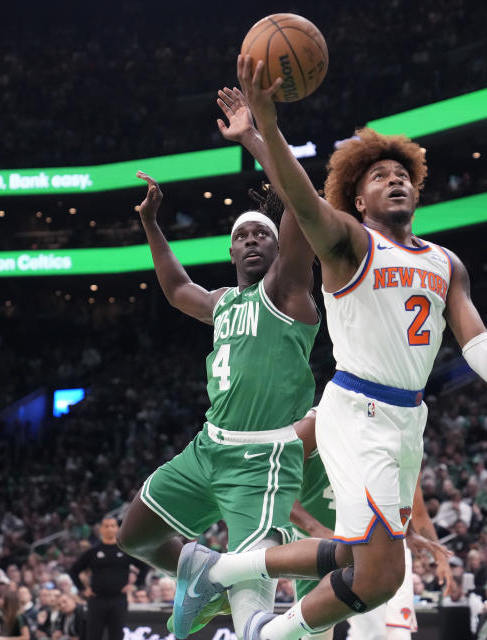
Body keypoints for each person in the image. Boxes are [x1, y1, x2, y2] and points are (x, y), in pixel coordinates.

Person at [172, 53, 487, 640]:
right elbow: (301, 197)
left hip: (408, 419)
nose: (395, 179)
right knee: (379, 573)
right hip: (356, 414)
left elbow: (477, 339)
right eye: (379, 175)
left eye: (402, 173)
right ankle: (262, 630)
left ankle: (218, 571)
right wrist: (263, 129)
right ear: (358, 201)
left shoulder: (445, 262)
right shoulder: (348, 244)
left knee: (372, 575)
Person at [116, 85, 320, 638]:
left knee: (255, 599)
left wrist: (254, 135)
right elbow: (177, 287)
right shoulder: (223, 303)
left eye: (263, 234)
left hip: (263, 459)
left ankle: (241, 598)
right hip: (208, 448)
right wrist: (152, 226)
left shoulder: (289, 293)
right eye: (242, 236)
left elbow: (302, 207)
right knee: (132, 536)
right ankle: (202, 571)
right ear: (231, 252)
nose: (252, 240)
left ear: (279, 251)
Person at [288, 409, 452, 640]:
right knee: (316, 635)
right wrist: (317, 530)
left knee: (379, 633)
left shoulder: (391, 429)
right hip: (318, 546)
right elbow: (273, 488)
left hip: (367, 542)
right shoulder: (314, 423)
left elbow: (400, 494)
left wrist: (410, 531)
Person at [70, 517, 147, 640]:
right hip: (96, 600)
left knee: (116, 636)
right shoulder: (93, 551)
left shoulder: (126, 550)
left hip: (118, 600)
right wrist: (83, 589)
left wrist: (136, 585)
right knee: (93, 635)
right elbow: (74, 571)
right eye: (106, 526)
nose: (109, 529)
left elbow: (144, 566)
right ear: (101, 529)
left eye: (112, 526)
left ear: (117, 528)